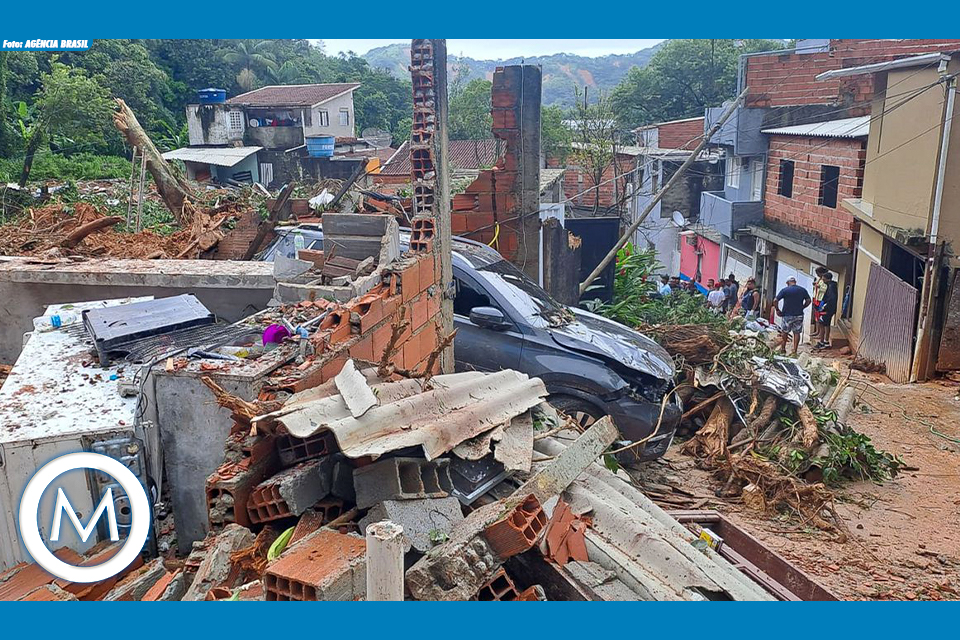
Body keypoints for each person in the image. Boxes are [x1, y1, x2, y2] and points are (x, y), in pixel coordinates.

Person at [774, 276, 812, 357]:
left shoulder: (785, 290)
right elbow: (808, 300)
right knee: (797, 332)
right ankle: (794, 350)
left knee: (785, 331)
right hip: (799, 314)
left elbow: (775, 300)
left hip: (787, 315)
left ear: (788, 283)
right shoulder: (802, 290)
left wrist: (777, 309)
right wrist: (803, 307)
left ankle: (783, 348)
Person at [815, 272, 839, 350]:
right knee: (824, 324)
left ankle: (824, 342)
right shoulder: (830, 285)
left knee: (823, 324)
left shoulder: (831, 287)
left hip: (828, 309)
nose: (822, 279)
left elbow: (831, 299)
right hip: (827, 308)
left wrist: (824, 307)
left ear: (827, 278)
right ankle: (823, 341)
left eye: (823, 278)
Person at [810, 267, 828, 344]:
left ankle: (820, 333)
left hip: (820, 300)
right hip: (816, 298)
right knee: (816, 316)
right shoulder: (819, 279)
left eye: (818, 273)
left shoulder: (824, 280)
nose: (817, 275)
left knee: (820, 317)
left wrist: (819, 287)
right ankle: (817, 331)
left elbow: (825, 289)